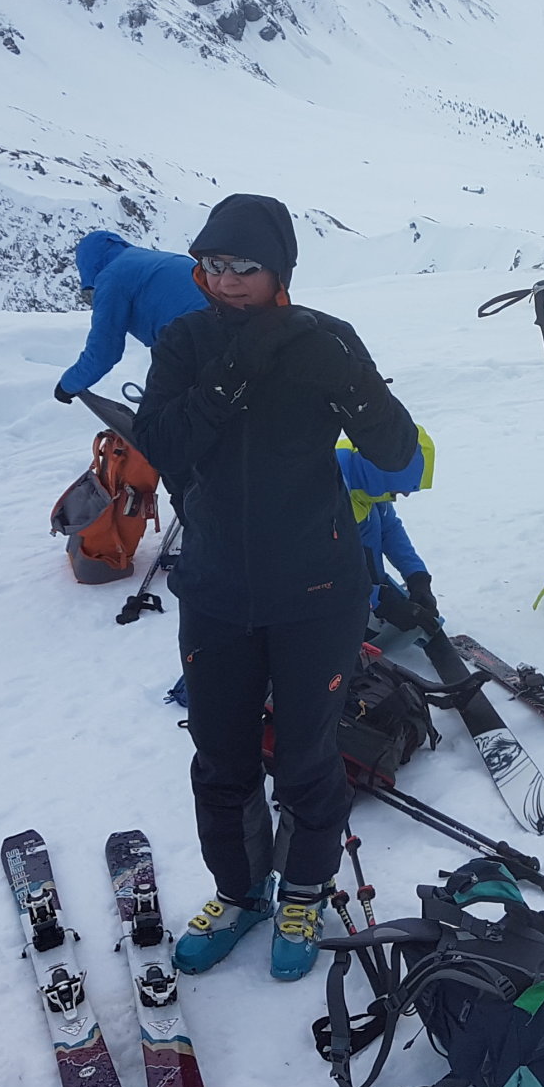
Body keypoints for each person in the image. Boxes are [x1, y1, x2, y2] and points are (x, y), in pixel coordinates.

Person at [132, 194, 418, 983]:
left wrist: (352, 381)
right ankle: (239, 893)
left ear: (280, 270)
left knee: (305, 758)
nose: (225, 281)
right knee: (221, 757)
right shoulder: (185, 341)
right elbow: (162, 444)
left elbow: (395, 451)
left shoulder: (327, 338)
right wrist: (232, 374)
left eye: (244, 267)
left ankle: (301, 890)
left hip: (317, 589)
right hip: (216, 587)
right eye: (213, 265)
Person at [52, 230, 206, 403]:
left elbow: (104, 351)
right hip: (222, 326)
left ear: (88, 265)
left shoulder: (112, 278)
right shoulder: (153, 258)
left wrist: (68, 385)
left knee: (163, 413)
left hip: (192, 340)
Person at [339, 428, 442, 634]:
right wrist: (381, 602)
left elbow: (389, 529)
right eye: (404, 485)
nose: (406, 493)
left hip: (362, 589)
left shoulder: (366, 478)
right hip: (323, 601)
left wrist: (417, 576)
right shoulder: (329, 491)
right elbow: (322, 572)